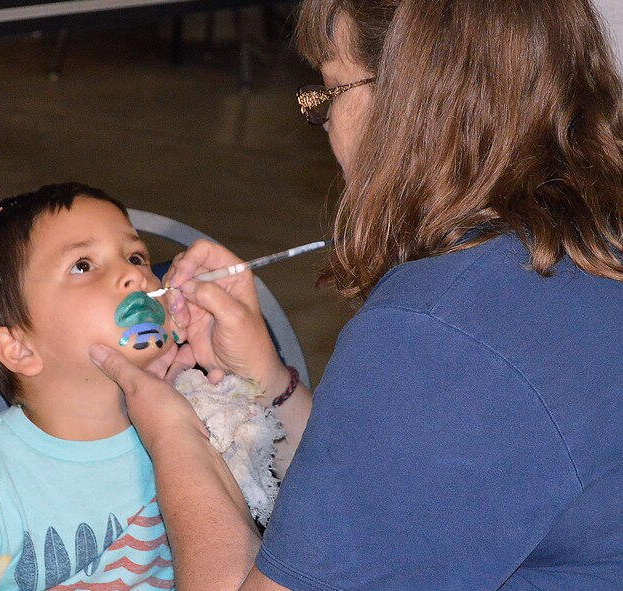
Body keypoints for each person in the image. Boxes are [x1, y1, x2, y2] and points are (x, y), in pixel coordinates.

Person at [88, 1, 623, 590]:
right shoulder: (585, 240)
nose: (326, 127)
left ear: (411, 99)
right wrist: (272, 385)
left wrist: (175, 436)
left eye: (332, 91)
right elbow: (387, 502)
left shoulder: (438, 334)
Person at [0, 182, 193, 590]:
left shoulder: (204, 420)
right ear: (20, 348)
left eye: (136, 257)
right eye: (83, 265)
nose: (135, 275)